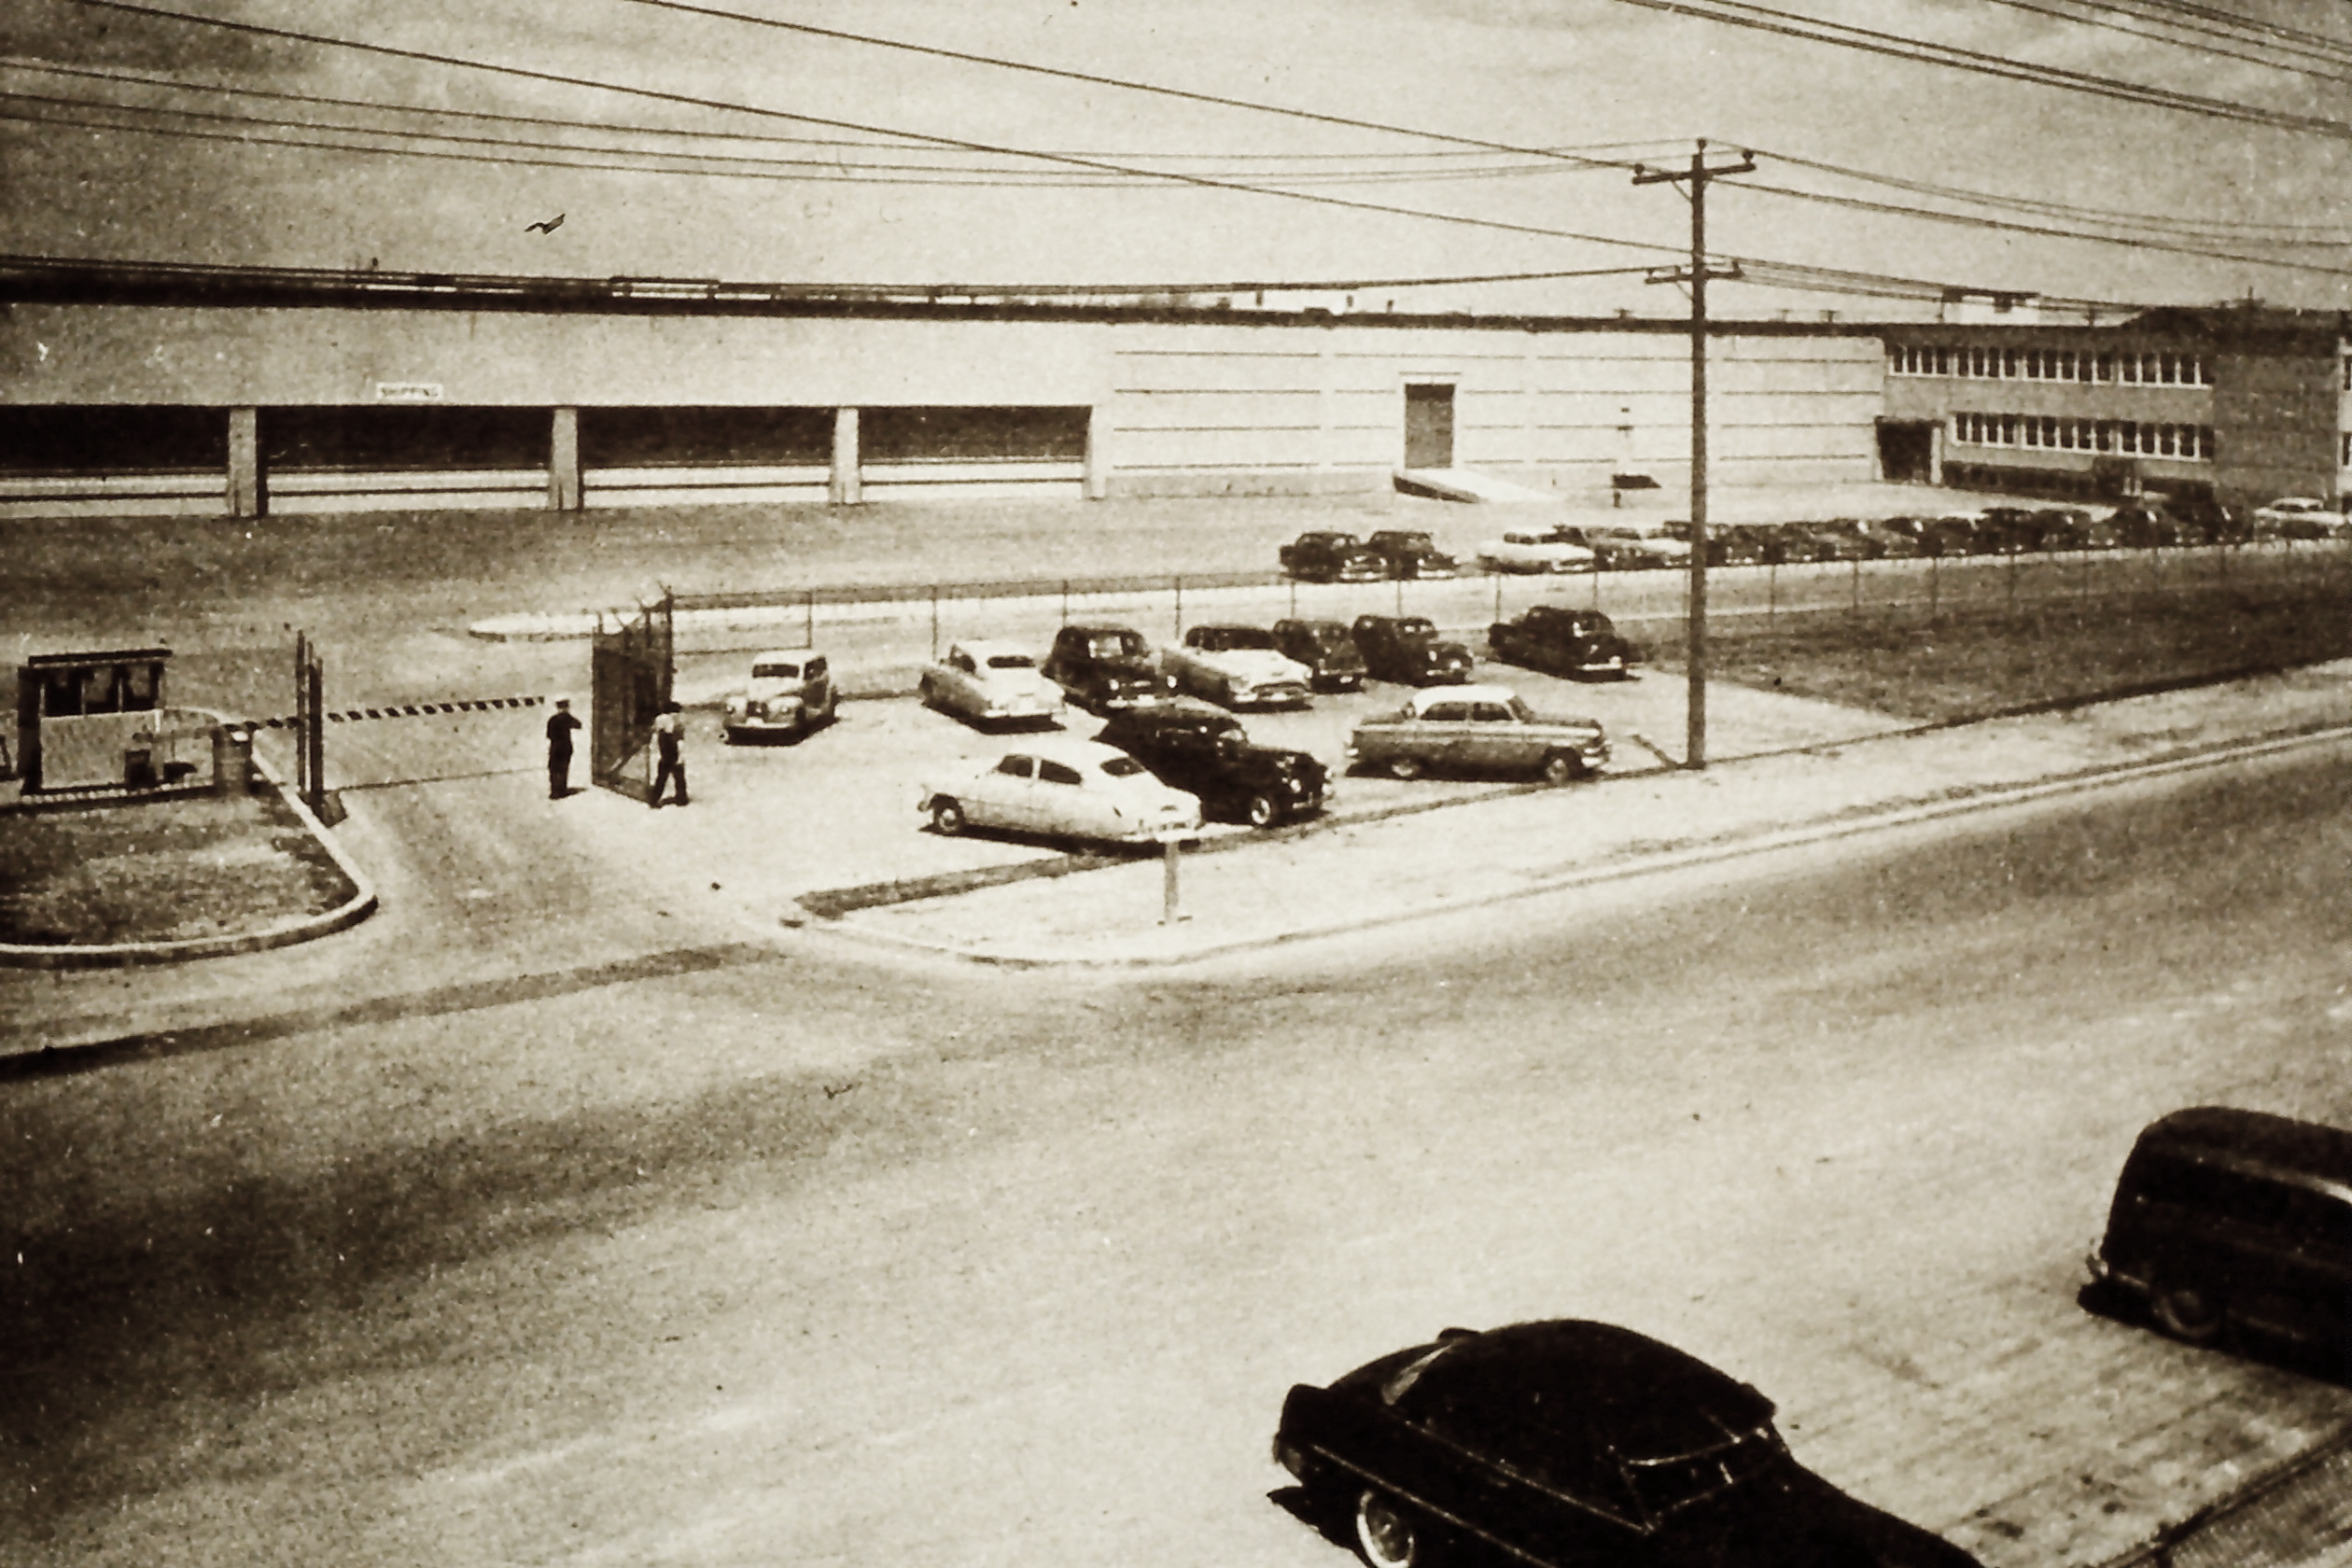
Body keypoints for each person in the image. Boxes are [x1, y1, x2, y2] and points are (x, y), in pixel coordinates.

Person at [650, 700, 688, 807]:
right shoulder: (671, 721)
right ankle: (681, 798)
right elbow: (674, 737)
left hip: (665, 750)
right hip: (672, 749)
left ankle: (654, 799)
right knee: (678, 775)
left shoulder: (659, 720)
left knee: (662, 777)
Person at [544, 696, 582, 799]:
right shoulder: (567, 718)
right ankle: (561, 790)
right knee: (563, 769)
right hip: (565, 747)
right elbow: (579, 725)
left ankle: (554, 791)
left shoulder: (552, 719)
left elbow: (548, 735)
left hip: (554, 746)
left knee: (554, 768)